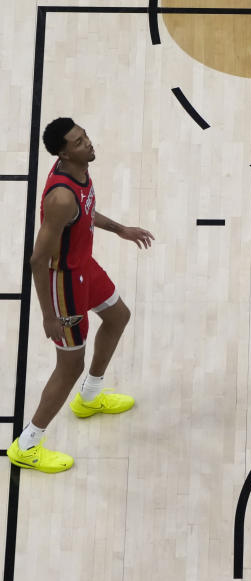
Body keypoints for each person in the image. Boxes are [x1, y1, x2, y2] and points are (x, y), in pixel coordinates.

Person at [7, 118, 154, 473]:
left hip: (85, 266)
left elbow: (85, 213)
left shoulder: (80, 173)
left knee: (119, 316)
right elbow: (38, 259)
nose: (88, 143)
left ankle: (89, 397)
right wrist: (47, 315)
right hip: (65, 284)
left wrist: (120, 229)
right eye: (78, 142)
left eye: (85, 135)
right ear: (63, 152)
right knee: (69, 366)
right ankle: (27, 445)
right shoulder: (60, 197)